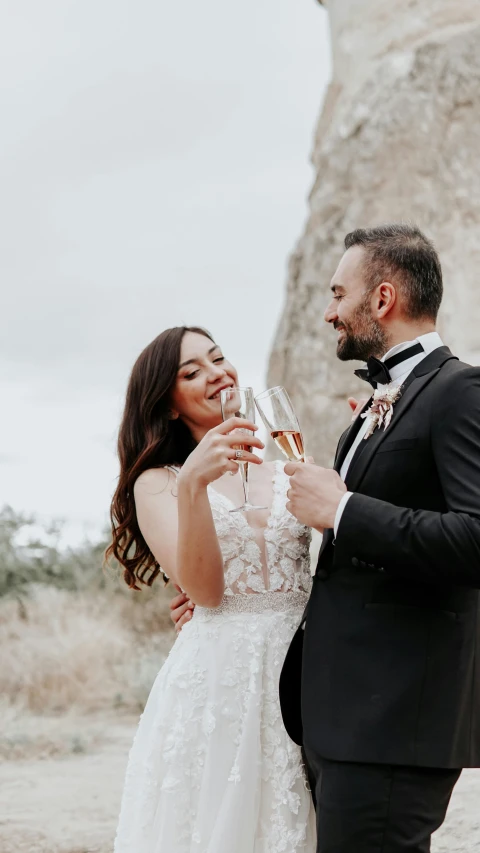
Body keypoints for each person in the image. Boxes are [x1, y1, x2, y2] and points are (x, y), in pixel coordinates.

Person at [280, 224, 480, 853]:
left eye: (339, 294)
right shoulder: (376, 405)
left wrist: (342, 510)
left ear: (383, 299)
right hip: (345, 717)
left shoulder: (459, 392)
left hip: (394, 720)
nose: (328, 311)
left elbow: (475, 539)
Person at [108, 325, 317, 853]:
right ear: (170, 403)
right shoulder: (159, 482)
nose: (215, 373)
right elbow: (204, 591)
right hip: (220, 681)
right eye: (191, 371)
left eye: (218, 358)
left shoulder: (289, 470)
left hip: (308, 671)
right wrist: (195, 485)